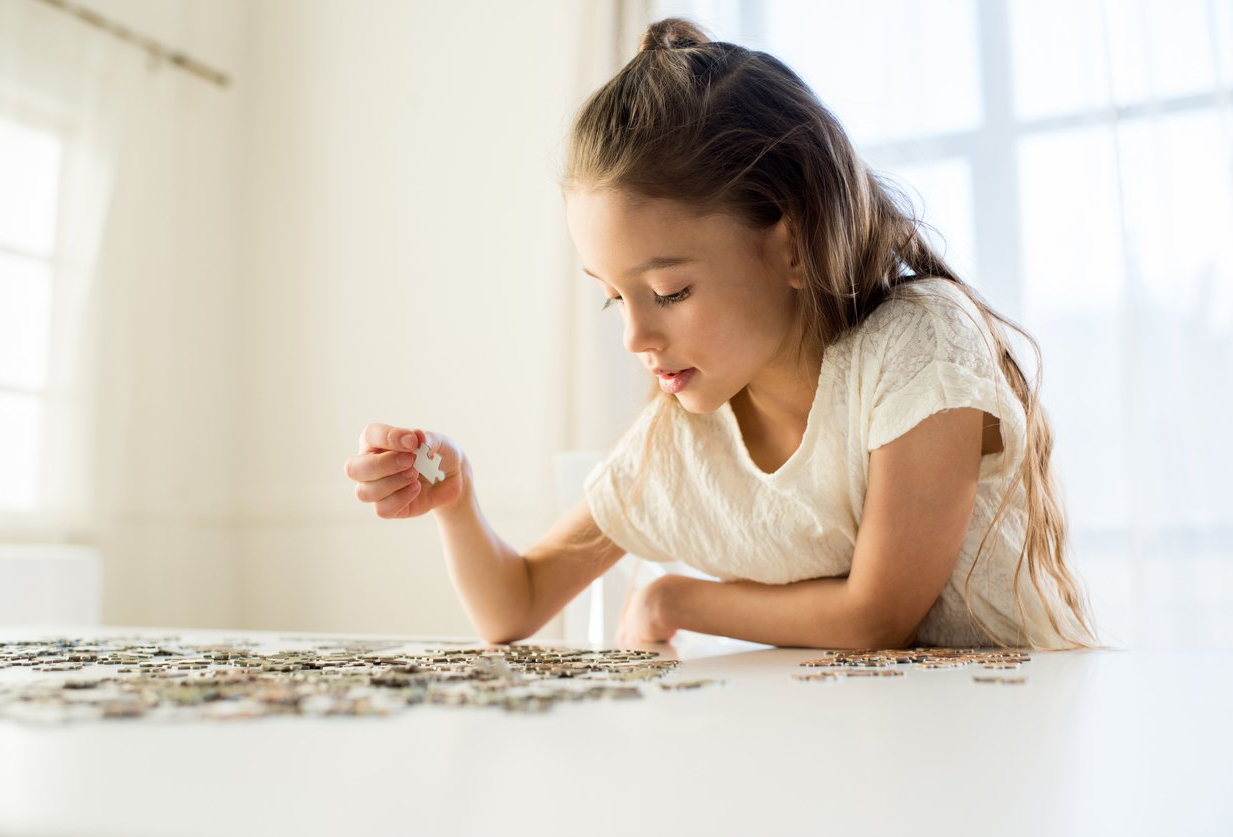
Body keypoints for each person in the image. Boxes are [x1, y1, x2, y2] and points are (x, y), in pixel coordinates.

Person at [344, 18, 1098, 651]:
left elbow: (877, 615)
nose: (637, 333)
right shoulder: (681, 442)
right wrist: (457, 496)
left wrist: (676, 600)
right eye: (613, 299)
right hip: (863, 756)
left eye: (669, 291)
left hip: (1007, 743)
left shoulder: (916, 345)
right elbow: (515, 605)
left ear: (792, 244)